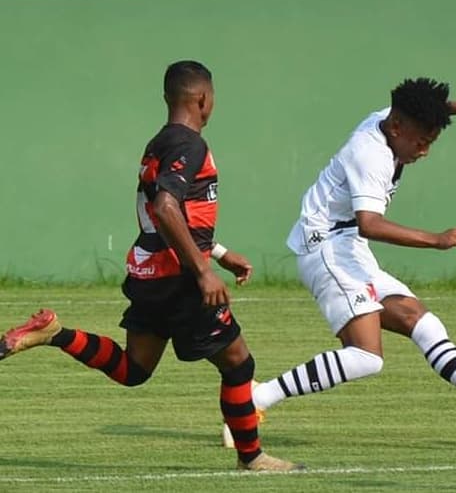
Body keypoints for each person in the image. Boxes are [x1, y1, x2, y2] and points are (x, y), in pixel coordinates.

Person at [223, 77, 456, 448]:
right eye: (422, 142)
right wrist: (437, 239)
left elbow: (416, 107)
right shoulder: (370, 154)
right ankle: (255, 400)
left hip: (346, 245)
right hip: (325, 248)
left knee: (424, 324)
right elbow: (370, 223)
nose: (425, 151)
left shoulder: (391, 120)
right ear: (398, 128)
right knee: (367, 357)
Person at [0, 60, 300, 472]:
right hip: (178, 279)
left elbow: (174, 215)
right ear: (203, 99)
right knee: (238, 363)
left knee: (134, 369)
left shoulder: (159, 142)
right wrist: (203, 271)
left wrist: (219, 253)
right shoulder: (190, 145)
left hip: (149, 274)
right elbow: (166, 206)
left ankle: (54, 333)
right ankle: (252, 457)